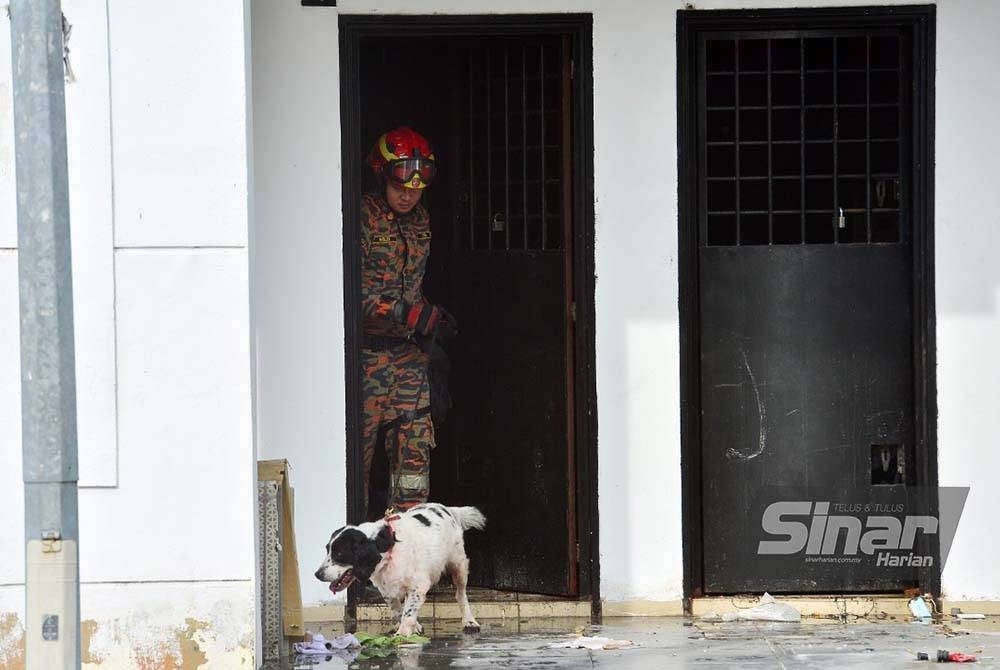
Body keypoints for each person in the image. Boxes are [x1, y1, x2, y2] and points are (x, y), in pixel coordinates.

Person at [360, 126, 455, 518]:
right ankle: (356, 561)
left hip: (408, 357)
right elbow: (348, 297)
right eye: (400, 186)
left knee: (414, 453)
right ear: (382, 175)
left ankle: (408, 551)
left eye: (416, 188)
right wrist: (402, 312)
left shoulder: (421, 221)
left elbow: (412, 284)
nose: (408, 195)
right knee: (356, 457)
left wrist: (430, 316)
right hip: (366, 360)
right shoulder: (361, 218)